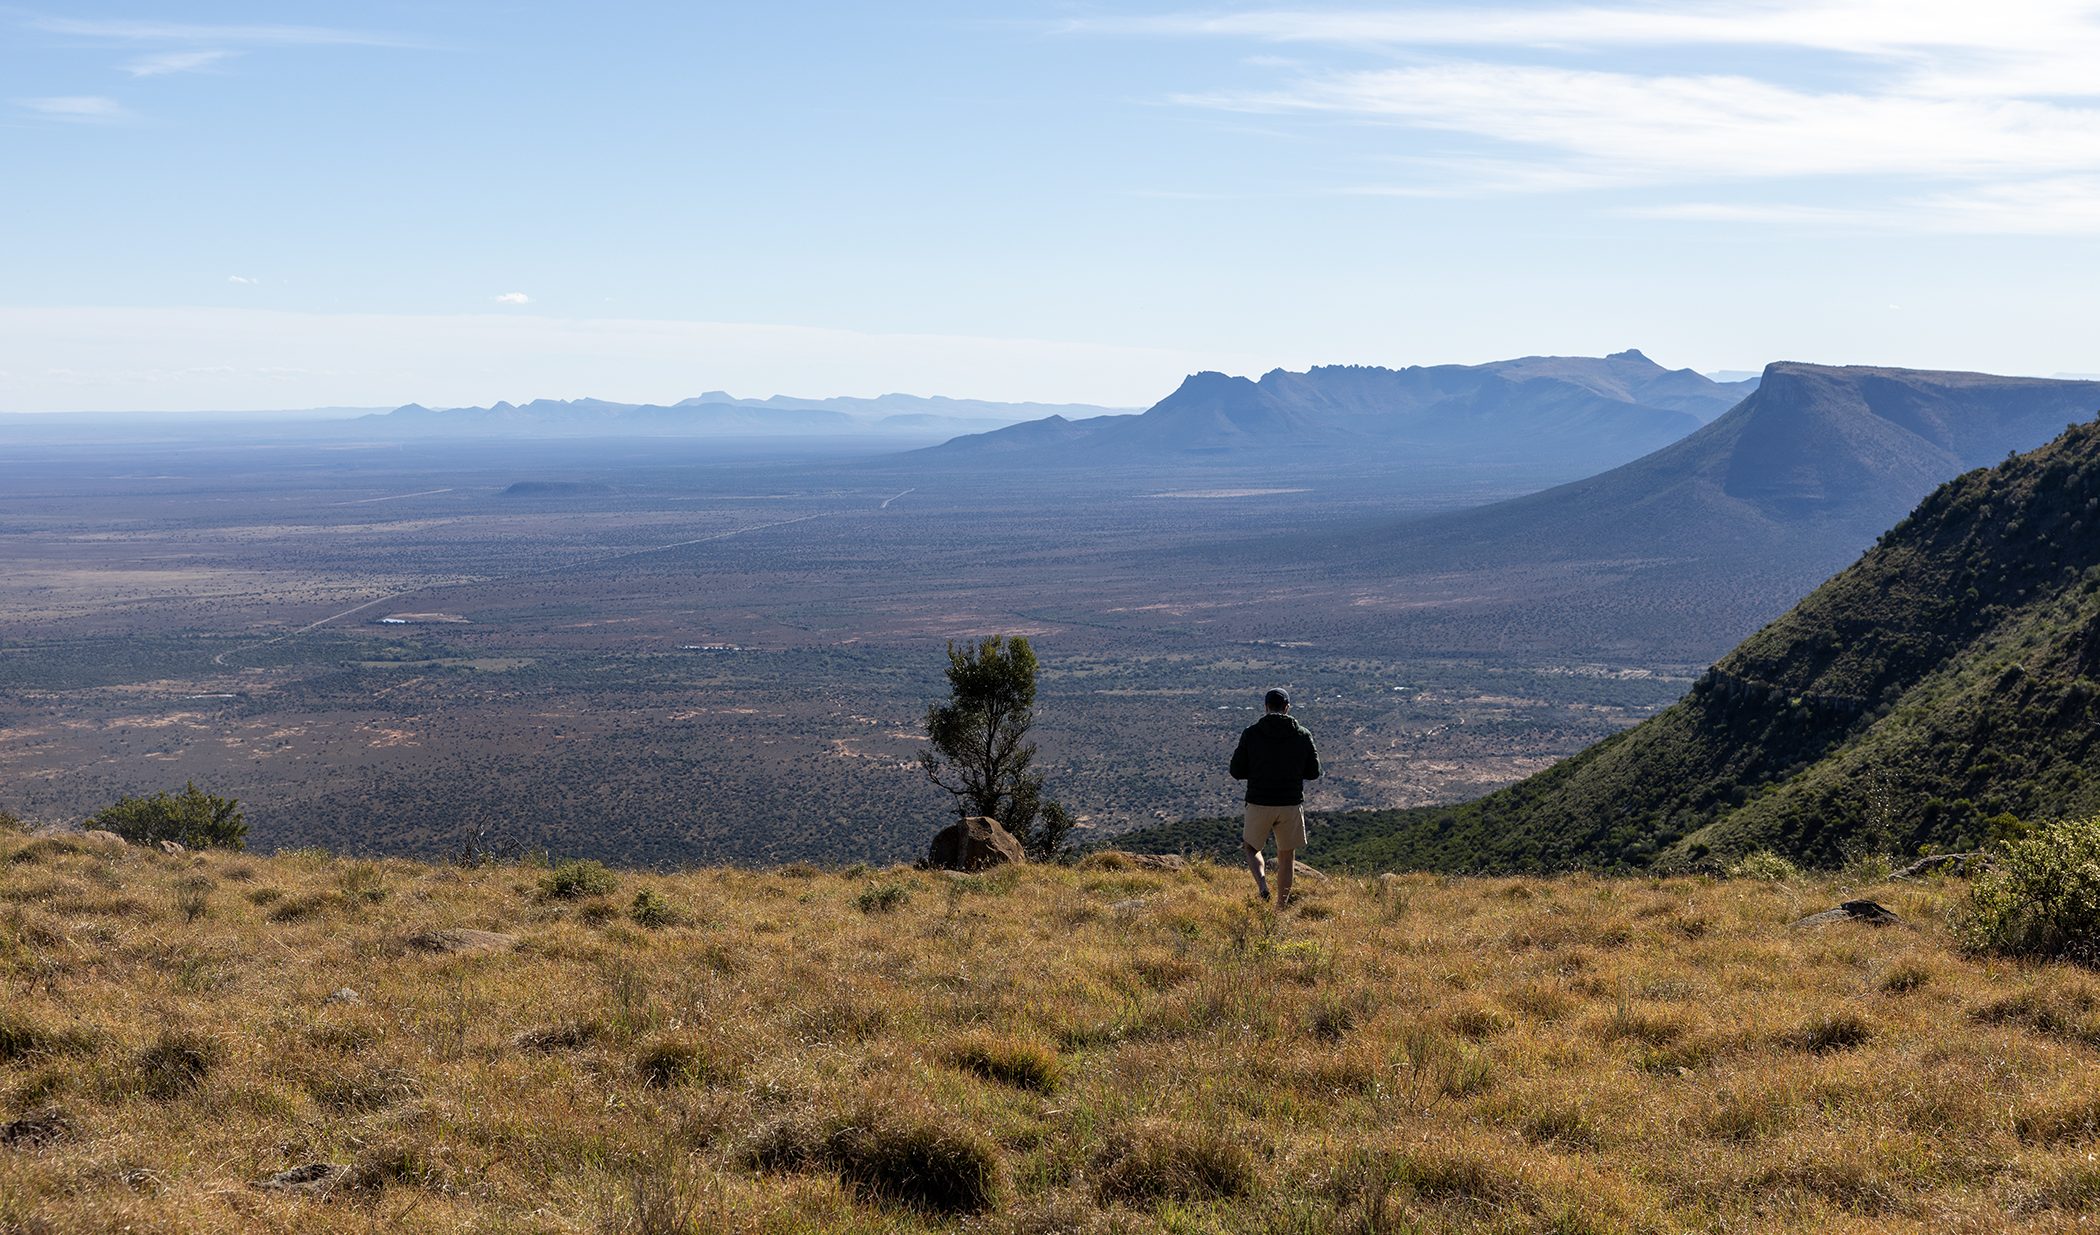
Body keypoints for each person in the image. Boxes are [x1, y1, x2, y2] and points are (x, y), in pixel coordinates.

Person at [1229, 687, 1320, 905]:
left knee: (1251, 847)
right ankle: (1281, 906)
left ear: (1266, 707)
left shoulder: (1251, 733)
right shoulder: (1302, 735)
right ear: (1287, 708)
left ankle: (1262, 885)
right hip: (1290, 803)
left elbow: (1236, 771)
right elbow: (1314, 772)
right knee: (1287, 856)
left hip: (1259, 801)